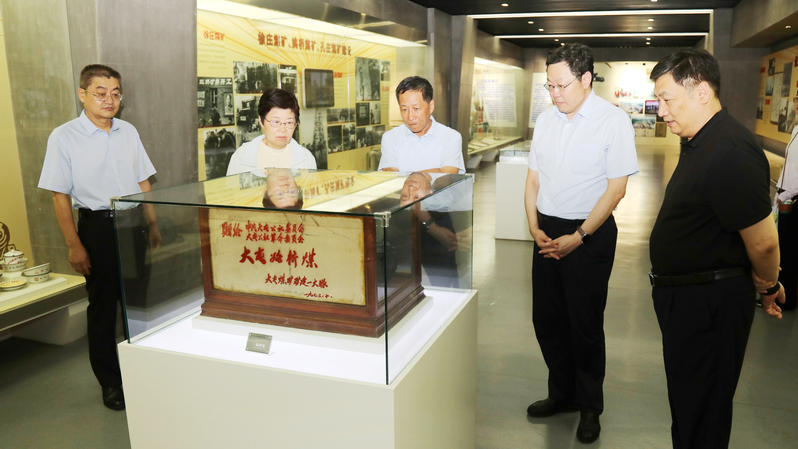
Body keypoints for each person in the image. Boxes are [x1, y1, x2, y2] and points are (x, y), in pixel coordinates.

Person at [648, 49, 785, 449]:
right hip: (688, 301)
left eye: (667, 99)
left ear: (702, 92)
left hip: (708, 305)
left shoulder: (730, 150)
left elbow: (763, 241)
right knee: (689, 404)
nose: (661, 111)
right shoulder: (700, 140)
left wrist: (768, 285)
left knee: (703, 411)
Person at [523, 43, 639, 444]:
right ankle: (563, 394)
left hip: (589, 232)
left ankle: (590, 406)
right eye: (550, 86)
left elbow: (616, 189)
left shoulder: (613, 121)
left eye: (562, 85)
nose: (555, 93)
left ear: (586, 78)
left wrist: (580, 236)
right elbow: (533, 180)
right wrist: (533, 225)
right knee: (547, 319)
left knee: (584, 324)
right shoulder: (546, 120)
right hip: (547, 231)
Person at [38, 64, 161, 411]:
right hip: (98, 229)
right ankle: (111, 382)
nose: (110, 100)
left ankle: (142, 372)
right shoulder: (64, 136)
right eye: (101, 92)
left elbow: (143, 180)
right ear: (83, 94)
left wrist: (153, 224)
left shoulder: (128, 131)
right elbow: (59, 196)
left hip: (133, 225)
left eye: (115, 93)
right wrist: (74, 245)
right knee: (104, 308)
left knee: (137, 304)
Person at [378, 76, 465, 174]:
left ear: (431, 106)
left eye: (416, 109)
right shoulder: (390, 138)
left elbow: (447, 174)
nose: (410, 117)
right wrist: (435, 171)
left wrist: (405, 176)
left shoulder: (450, 137)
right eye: (404, 109)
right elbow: (389, 174)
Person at [226, 88, 316, 175]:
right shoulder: (240, 157)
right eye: (276, 122)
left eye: (289, 122)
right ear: (261, 121)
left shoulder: (306, 159)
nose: (283, 129)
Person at [775, 97, 798, 311]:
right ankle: (782, 294)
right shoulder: (796, 129)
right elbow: (789, 166)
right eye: (797, 99)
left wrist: (786, 195)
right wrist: (780, 190)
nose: (797, 104)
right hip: (787, 196)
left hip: (793, 200)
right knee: (784, 248)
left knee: (789, 251)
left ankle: (786, 299)